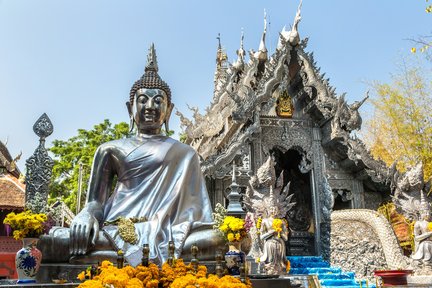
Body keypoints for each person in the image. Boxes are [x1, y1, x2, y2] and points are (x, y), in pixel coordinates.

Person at [40, 44, 221, 266]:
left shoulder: (185, 153)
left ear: (169, 110)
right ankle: (128, 255)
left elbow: (196, 215)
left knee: (216, 240)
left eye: (158, 101)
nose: (150, 106)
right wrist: (86, 215)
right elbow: (95, 202)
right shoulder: (110, 149)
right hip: (118, 229)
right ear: (130, 108)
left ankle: (119, 258)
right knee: (54, 241)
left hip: (171, 233)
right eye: (143, 99)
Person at [260, 205, 289, 275]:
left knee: (280, 264)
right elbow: (261, 237)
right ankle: (269, 269)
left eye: (275, 209)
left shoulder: (282, 222)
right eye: (271, 209)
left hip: (279, 244)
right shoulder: (265, 221)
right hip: (269, 244)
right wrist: (271, 232)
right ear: (268, 211)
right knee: (270, 262)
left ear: (278, 211)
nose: (273, 211)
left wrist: (280, 231)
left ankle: (280, 270)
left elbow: (286, 238)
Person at [412, 194, 432, 264]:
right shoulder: (418, 223)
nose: (427, 214)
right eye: (424, 212)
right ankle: (426, 260)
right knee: (425, 245)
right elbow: (416, 238)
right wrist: (428, 234)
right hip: (424, 243)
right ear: (420, 213)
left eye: (428, 212)